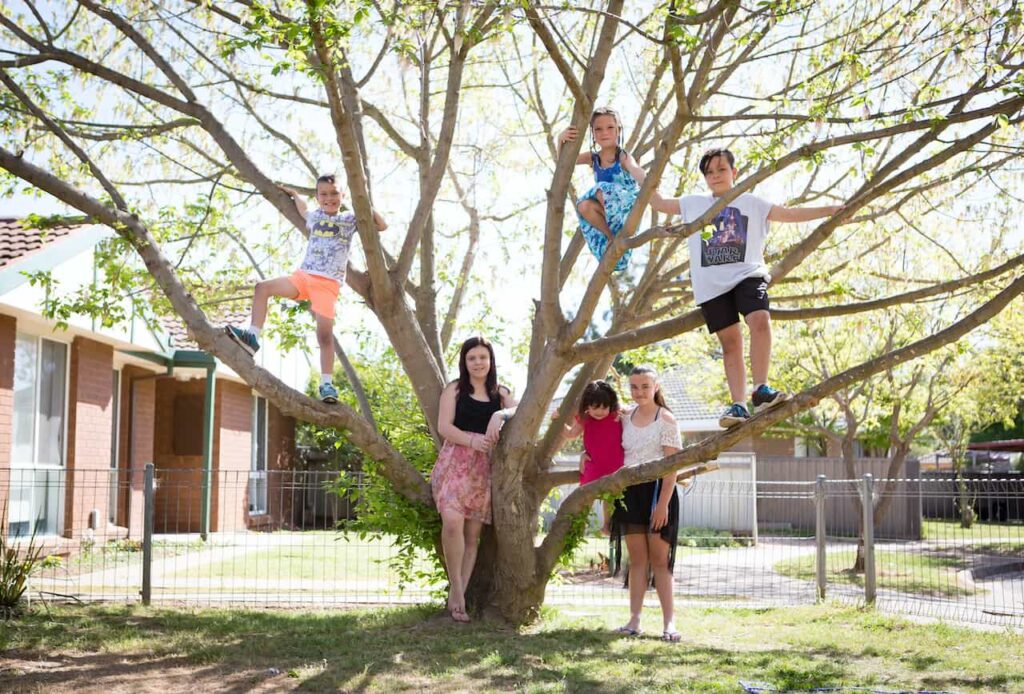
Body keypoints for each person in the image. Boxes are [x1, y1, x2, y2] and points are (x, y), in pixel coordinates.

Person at [650, 149, 843, 427]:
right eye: (710, 172)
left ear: (734, 172)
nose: (716, 176)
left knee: (760, 320)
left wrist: (829, 211)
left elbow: (788, 213)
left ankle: (761, 389)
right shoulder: (694, 203)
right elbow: (657, 202)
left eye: (721, 169)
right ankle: (738, 405)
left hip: (747, 274)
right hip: (711, 285)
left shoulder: (751, 202)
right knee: (731, 344)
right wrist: (627, 163)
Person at [226, 174, 388, 403]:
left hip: (327, 284)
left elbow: (382, 225)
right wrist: (294, 194)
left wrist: (364, 203)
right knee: (262, 288)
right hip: (302, 277)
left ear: (343, 196)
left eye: (334, 194)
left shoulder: (349, 219)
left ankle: (327, 383)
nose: (329, 198)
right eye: (323, 194)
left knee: (323, 335)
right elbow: (302, 209)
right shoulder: (315, 217)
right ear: (318, 197)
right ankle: (252, 337)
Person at [432, 336, 517, 623]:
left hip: (484, 471)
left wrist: (500, 414)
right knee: (452, 522)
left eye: (483, 357)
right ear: (464, 362)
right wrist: (472, 440)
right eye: (472, 358)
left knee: (472, 536)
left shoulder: (501, 394)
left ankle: (459, 600)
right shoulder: (454, 389)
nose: (478, 362)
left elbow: (521, 409)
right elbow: (444, 426)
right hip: (455, 463)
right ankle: (456, 591)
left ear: (491, 360)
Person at [611, 365, 683, 643]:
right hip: (629, 495)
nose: (639, 392)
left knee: (660, 562)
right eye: (634, 387)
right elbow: (606, 444)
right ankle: (634, 621)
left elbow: (672, 466)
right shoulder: (624, 417)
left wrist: (663, 504)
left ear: (655, 386)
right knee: (638, 561)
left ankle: (669, 623)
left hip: (657, 494)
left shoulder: (666, 418)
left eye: (644, 386)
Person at [558, 107, 647, 271]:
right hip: (608, 210)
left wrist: (647, 180)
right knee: (583, 205)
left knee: (601, 189)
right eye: (598, 129)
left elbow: (635, 169)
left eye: (610, 127)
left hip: (626, 208)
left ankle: (616, 233)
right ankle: (611, 238)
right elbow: (564, 163)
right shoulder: (593, 158)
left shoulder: (622, 156)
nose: (604, 132)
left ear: (618, 130)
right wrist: (560, 140)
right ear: (592, 133)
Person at [558, 380, 625, 535]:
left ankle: (607, 525)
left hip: (615, 464)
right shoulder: (586, 419)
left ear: (611, 405)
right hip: (593, 464)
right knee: (585, 495)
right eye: (595, 407)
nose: (600, 411)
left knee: (610, 497)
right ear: (587, 406)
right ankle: (579, 526)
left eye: (604, 407)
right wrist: (558, 421)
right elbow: (571, 434)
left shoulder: (617, 416)